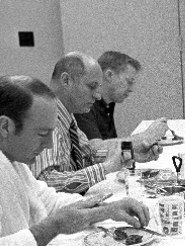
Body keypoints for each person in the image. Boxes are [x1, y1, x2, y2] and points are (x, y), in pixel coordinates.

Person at [0, 76, 152, 246]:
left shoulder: (9, 156)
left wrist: (107, 210)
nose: (47, 145)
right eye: (42, 134)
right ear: (5, 126)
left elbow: (50, 203)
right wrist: (52, 227)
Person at [33, 52, 165, 195]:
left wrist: (127, 154)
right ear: (66, 80)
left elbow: (88, 155)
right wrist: (106, 168)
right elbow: (46, 183)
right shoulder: (47, 117)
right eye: (92, 86)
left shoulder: (67, 115)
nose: (97, 95)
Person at [74, 51, 168, 144]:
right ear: (109, 75)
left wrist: (137, 150)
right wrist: (144, 138)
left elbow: (110, 147)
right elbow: (97, 152)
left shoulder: (108, 103)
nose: (131, 89)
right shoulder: (83, 104)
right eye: (129, 82)